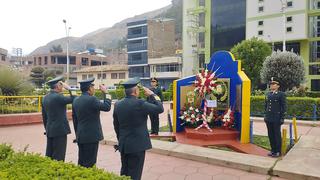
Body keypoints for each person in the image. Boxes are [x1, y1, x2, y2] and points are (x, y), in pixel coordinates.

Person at [113, 77, 164, 180]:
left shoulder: (118, 104)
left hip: (124, 144)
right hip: (137, 146)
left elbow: (116, 125)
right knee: (135, 174)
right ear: (135, 91)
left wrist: (121, 140)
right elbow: (160, 108)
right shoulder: (140, 103)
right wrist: (153, 94)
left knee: (125, 171)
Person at [72, 77, 112, 168]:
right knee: (90, 162)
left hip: (81, 135)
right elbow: (107, 107)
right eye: (93, 87)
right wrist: (106, 93)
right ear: (90, 88)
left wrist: (77, 134)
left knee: (81, 161)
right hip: (91, 136)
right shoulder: (92, 99)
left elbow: (75, 120)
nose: (94, 89)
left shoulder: (76, 100)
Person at [42, 76, 75, 161]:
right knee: (59, 155)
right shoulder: (58, 97)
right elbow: (74, 98)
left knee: (49, 154)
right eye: (61, 85)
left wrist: (47, 129)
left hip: (50, 130)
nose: (62, 87)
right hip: (60, 130)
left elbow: (44, 116)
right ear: (57, 86)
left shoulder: (45, 98)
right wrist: (69, 88)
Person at [264, 77, 287, 157]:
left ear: (278, 86)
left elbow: (283, 107)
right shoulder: (268, 94)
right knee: (270, 134)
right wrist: (265, 116)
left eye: (274, 84)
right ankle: (273, 150)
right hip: (269, 118)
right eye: (271, 84)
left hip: (276, 118)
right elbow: (266, 106)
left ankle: (278, 151)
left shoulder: (281, 94)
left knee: (277, 134)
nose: (272, 85)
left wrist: (282, 118)